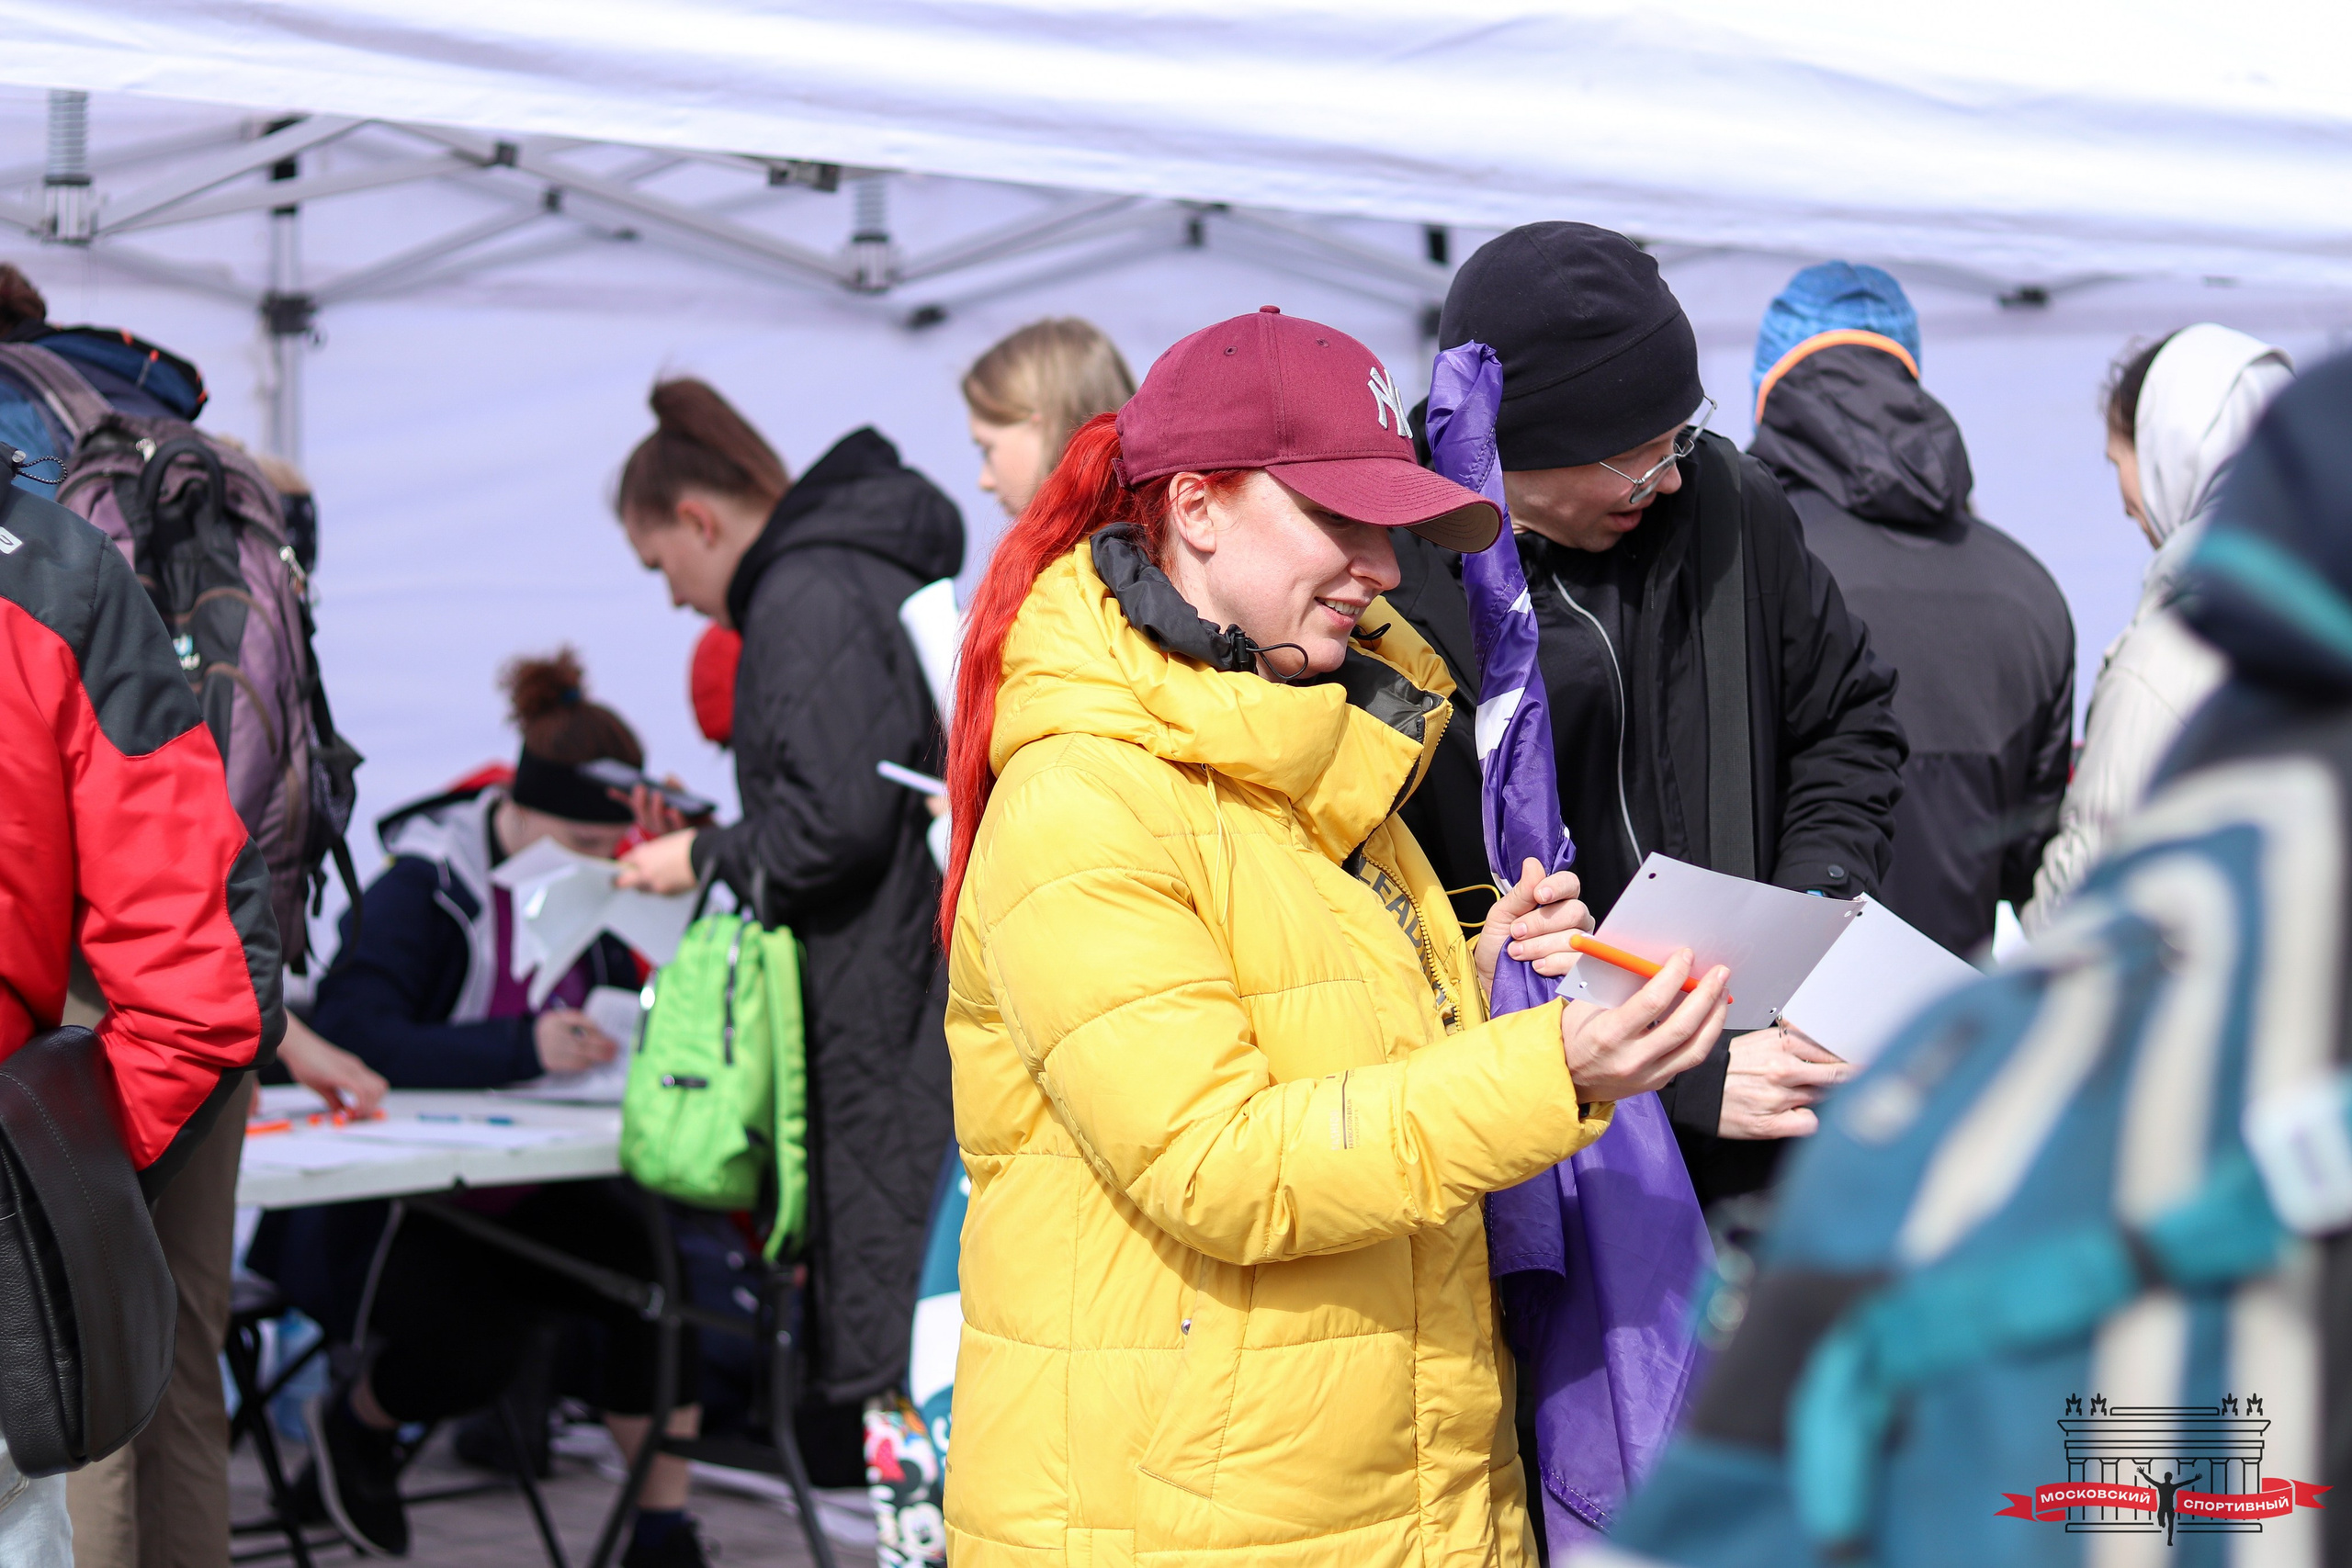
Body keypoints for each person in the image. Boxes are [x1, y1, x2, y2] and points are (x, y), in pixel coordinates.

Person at [938, 305, 1734, 1565]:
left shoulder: (1318, 756)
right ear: (1195, 507)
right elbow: (1221, 1161)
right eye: (1339, 517)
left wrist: (1478, 977)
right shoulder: (1087, 799)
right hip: (1184, 1520)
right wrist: (1555, 1069)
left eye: (1392, 523)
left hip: (1377, 1491)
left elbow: (1333, 1056)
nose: (1383, 562)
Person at [1399, 222, 1907, 1205]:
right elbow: (1410, 944)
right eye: (1637, 460)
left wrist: (1805, 917)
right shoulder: (1391, 582)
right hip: (1529, 1158)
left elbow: (1847, 724)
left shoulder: (1726, 504)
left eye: (1682, 435)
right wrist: (1676, 1076)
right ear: (1518, 452)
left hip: (1756, 1117)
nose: (1669, 477)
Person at [608, 382, 963, 1461]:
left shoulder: (801, 594)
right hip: (910, 984)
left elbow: (836, 822)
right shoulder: (855, 571)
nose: (674, 600)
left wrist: (702, 856)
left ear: (698, 522)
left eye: (659, 565)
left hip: (877, 1003)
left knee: (908, 1354)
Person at [295, 651, 706, 1565]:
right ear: (527, 814)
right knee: (475, 1338)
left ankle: (661, 1529)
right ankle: (357, 1426)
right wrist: (522, 1047)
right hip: (400, 1198)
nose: (606, 869)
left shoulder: (594, 885)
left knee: (655, 1281)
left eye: (615, 853)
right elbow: (354, 1031)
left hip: (530, 1180)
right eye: (590, 849)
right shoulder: (423, 884)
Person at [1, 466, 286, 1565]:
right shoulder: (55, 578)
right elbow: (204, 990)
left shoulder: (61, 579)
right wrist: (37, 1205)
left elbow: (200, 993)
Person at [1747, 262, 2074, 957]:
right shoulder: (2030, 590)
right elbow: (2029, 861)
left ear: (1768, 386)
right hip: (1952, 1035)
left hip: (1758, 1038)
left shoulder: (1738, 563)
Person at [2020, 323, 2293, 933]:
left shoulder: (2169, 652)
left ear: (2176, 450)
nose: (2123, 500)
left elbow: (2081, 890)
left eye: (2121, 458)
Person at [961, 317, 1137, 519]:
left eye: (987, 449)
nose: (985, 482)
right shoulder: (1166, 533)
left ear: (1045, 428)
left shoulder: (1086, 547)